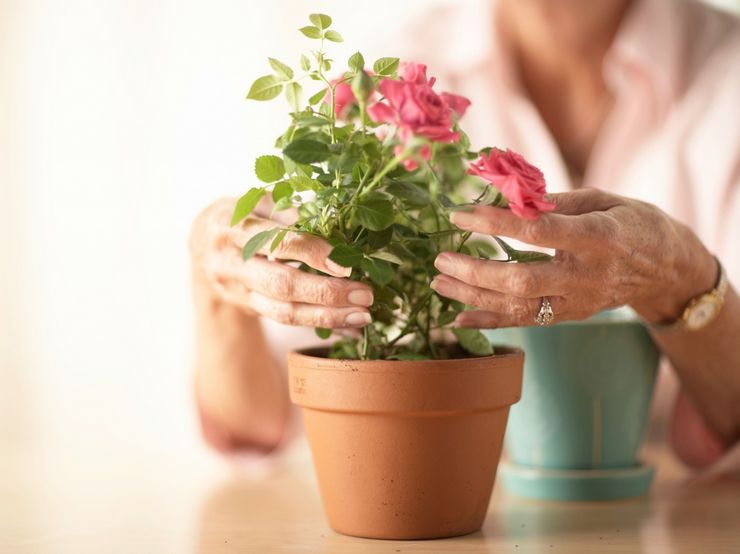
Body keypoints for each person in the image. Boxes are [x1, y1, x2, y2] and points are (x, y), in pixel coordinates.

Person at [189, 0, 740, 471]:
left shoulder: (726, 74)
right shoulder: (396, 82)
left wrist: (681, 275)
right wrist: (219, 286)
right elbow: (258, 422)